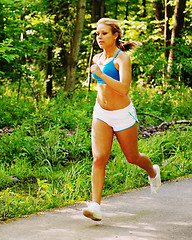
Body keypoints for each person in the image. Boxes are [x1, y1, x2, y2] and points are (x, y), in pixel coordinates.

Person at [82, 18, 161, 221]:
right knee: (99, 158)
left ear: (115, 35)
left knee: (132, 157)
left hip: (123, 114)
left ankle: (152, 171)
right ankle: (96, 206)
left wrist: (100, 73)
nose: (99, 37)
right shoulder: (97, 57)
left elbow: (124, 88)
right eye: (97, 34)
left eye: (104, 33)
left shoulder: (122, 58)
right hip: (101, 113)